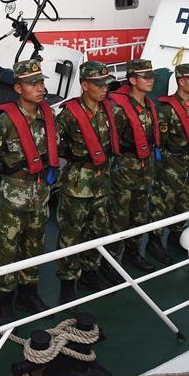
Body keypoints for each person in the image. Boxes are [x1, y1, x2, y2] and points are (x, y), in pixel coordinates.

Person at [0, 59, 58, 325]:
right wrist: (12, 172)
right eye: (32, 83)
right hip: (14, 194)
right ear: (18, 88)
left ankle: (28, 292)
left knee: (34, 244)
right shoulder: (5, 123)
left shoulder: (47, 116)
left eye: (41, 82)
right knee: (7, 248)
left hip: (40, 193)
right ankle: (3, 299)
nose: (39, 88)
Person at [54, 61, 123, 305]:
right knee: (71, 232)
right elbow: (51, 142)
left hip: (102, 182)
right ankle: (67, 281)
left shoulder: (108, 110)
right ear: (85, 85)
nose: (105, 88)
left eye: (106, 84)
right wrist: (71, 155)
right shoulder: (69, 114)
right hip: (77, 183)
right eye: (99, 84)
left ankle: (90, 271)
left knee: (98, 229)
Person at [108, 59, 161, 273]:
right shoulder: (119, 108)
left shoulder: (149, 105)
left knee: (139, 214)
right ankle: (109, 261)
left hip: (145, 168)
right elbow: (112, 140)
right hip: (124, 169)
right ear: (132, 80)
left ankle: (132, 253)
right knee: (118, 217)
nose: (150, 81)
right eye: (145, 77)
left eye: (151, 76)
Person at [153, 64, 189, 253]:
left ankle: (175, 235)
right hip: (171, 163)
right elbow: (162, 139)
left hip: (187, 163)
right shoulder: (167, 109)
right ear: (181, 81)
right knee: (163, 202)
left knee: (183, 201)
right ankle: (155, 241)